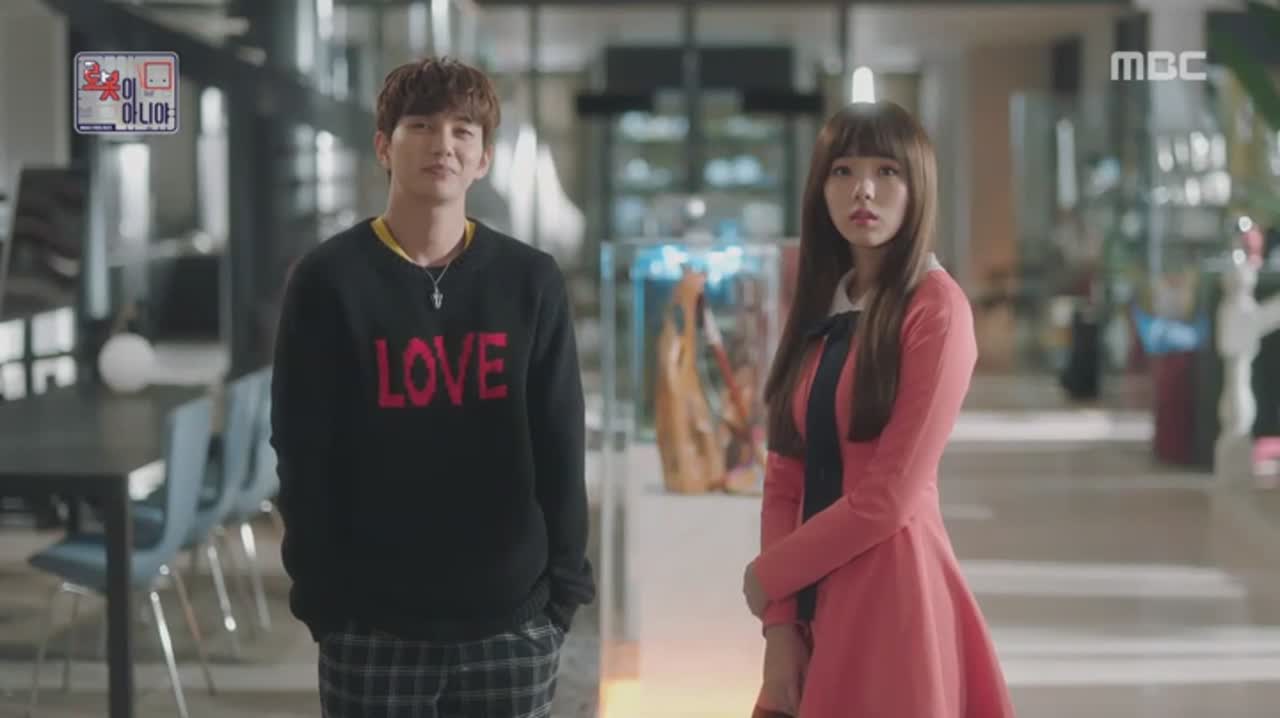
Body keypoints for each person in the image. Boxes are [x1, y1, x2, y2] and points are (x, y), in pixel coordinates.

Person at [270, 56, 595, 718]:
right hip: (371, 623)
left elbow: (561, 442)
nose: (442, 144)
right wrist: (322, 600)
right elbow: (302, 449)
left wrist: (562, 595)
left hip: (513, 620)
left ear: (483, 159)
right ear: (384, 146)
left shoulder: (530, 280)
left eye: (462, 131)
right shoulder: (328, 280)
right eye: (420, 126)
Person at [740, 101, 1015, 717]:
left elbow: (887, 498)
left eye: (887, 171)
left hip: (892, 595)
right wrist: (780, 623)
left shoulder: (937, 311)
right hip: (810, 599)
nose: (863, 190)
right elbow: (785, 475)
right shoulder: (821, 307)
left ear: (918, 187)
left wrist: (769, 575)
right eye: (843, 171)